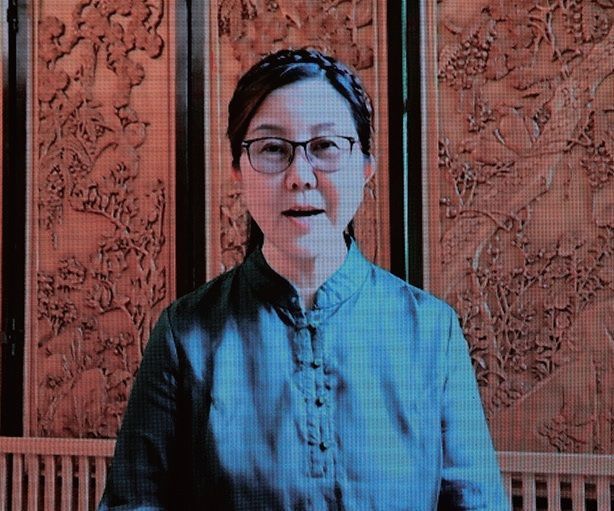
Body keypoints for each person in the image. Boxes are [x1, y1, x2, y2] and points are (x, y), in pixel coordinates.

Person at [99, 48, 509, 510]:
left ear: (366, 168)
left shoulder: (431, 330)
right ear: (237, 172)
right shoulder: (185, 335)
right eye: (273, 149)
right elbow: (132, 503)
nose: (300, 177)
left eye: (325, 146)